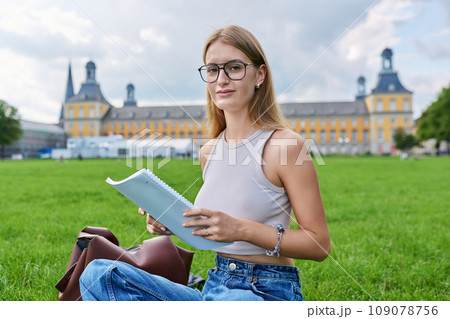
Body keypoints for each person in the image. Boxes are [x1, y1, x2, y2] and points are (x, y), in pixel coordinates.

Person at [79, 25, 330, 301]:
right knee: (98, 274)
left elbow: (318, 244)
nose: (221, 79)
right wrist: (172, 223)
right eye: (212, 70)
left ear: (260, 74)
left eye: (234, 67)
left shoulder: (285, 145)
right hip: (217, 285)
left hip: (266, 290)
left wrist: (242, 229)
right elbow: (213, 229)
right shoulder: (209, 151)